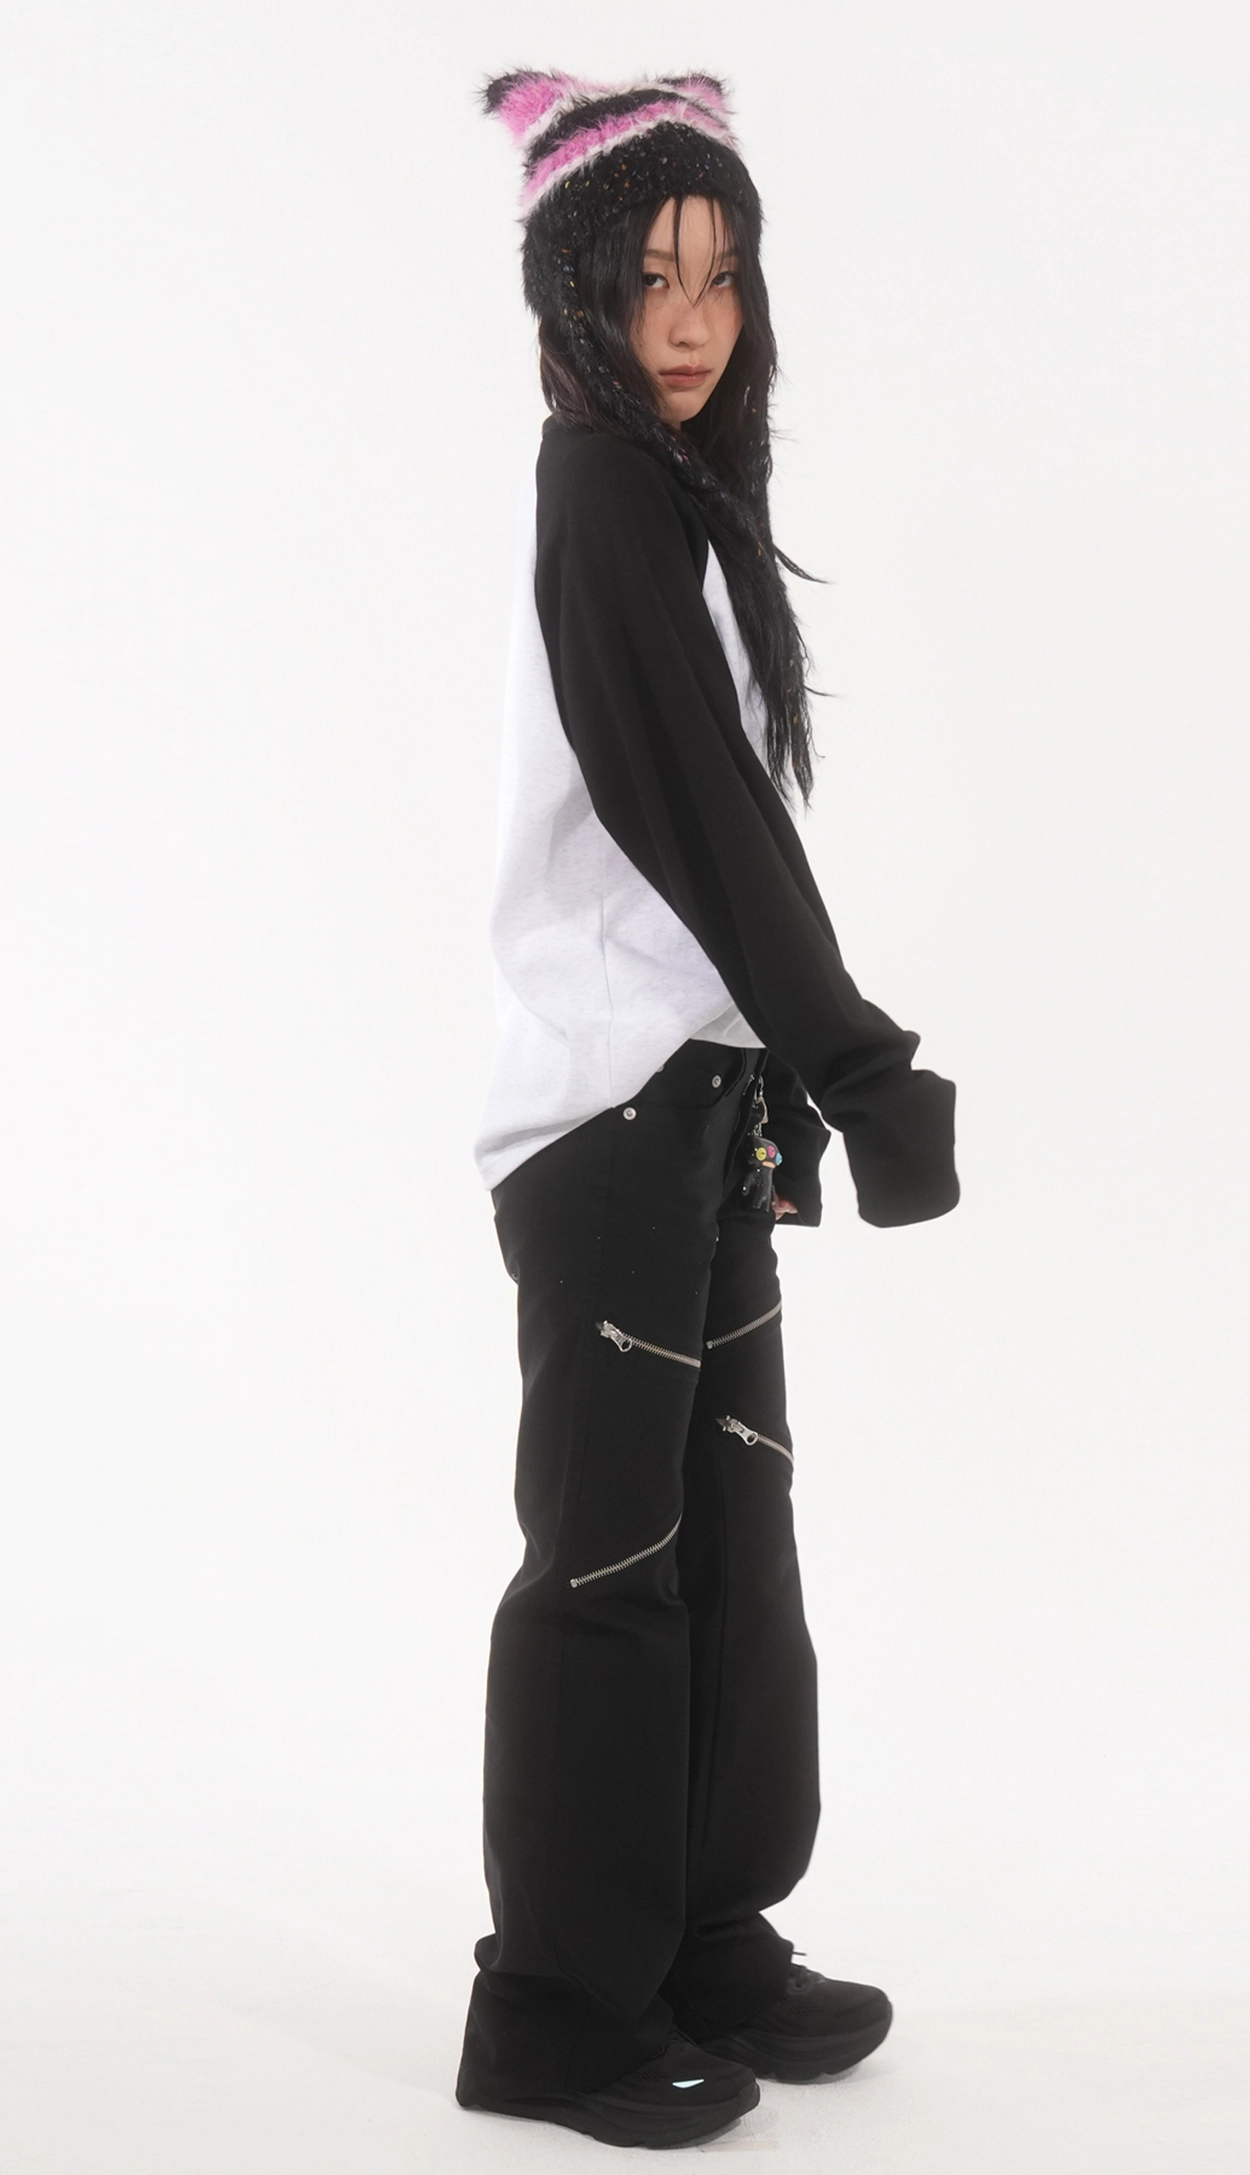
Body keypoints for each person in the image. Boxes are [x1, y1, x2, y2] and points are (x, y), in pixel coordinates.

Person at [455, 71, 960, 2151]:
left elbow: (729, 825)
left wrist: (787, 1074)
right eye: (648, 278)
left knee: (733, 1540)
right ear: (569, 295)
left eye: (722, 277)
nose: (688, 321)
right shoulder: (597, 490)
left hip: (699, 1096)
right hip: (602, 1116)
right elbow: (689, 821)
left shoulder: (676, 500)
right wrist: (859, 1057)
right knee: (612, 1565)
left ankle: (695, 1934)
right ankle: (552, 2006)